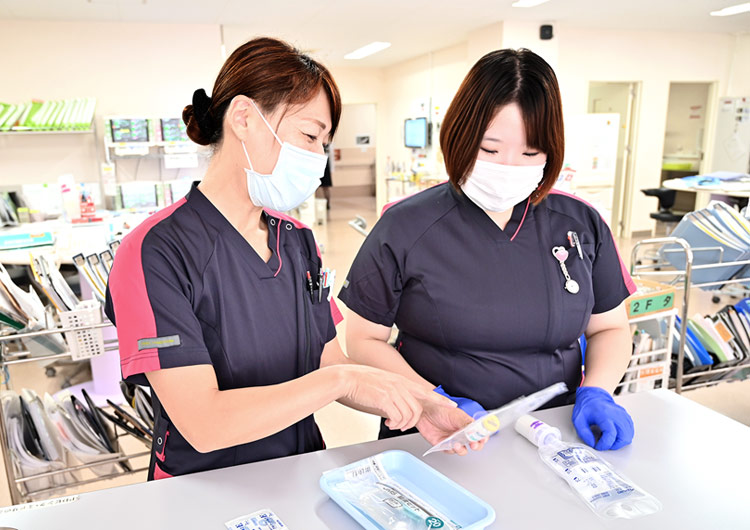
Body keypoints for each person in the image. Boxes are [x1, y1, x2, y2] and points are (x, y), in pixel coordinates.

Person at [104, 37, 457, 480]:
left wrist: (421, 404)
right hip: (203, 489)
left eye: (324, 142)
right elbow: (204, 423)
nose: (317, 158)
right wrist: (341, 382)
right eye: (309, 135)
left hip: (302, 473)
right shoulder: (153, 251)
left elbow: (330, 361)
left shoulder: (296, 240)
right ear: (245, 117)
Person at [340, 48, 637, 452]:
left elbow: (610, 328)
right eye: (490, 150)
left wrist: (598, 391)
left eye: (530, 152)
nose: (510, 167)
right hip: (439, 437)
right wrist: (433, 401)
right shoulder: (405, 226)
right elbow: (363, 341)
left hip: (554, 433)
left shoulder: (580, 225)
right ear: (460, 137)